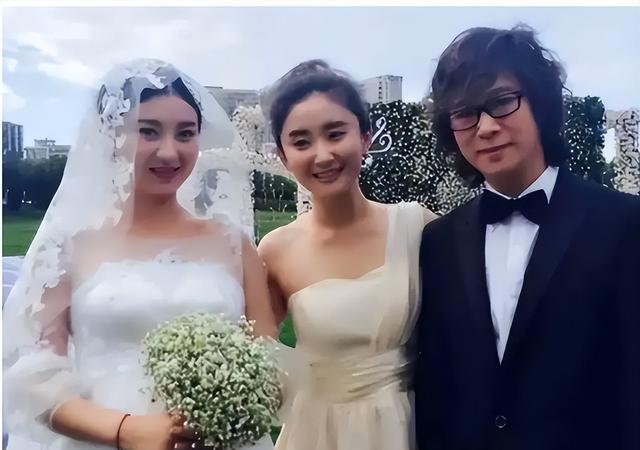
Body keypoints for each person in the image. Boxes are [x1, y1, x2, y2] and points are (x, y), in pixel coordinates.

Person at [3, 59, 277, 450]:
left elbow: (269, 362)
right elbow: (34, 375)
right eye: (148, 131)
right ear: (112, 135)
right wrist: (124, 430)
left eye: (185, 134)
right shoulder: (69, 245)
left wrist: (224, 410)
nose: (169, 151)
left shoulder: (233, 243)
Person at [415, 25, 640, 450]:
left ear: (540, 102)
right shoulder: (438, 242)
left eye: (502, 102)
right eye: (464, 113)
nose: (485, 127)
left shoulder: (624, 224)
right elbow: (436, 386)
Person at [258, 59, 437, 450]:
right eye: (301, 142)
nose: (323, 155)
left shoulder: (418, 226)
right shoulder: (275, 250)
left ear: (366, 137)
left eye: (335, 134)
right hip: (316, 433)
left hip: (405, 428)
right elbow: (257, 365)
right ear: (284, 157)